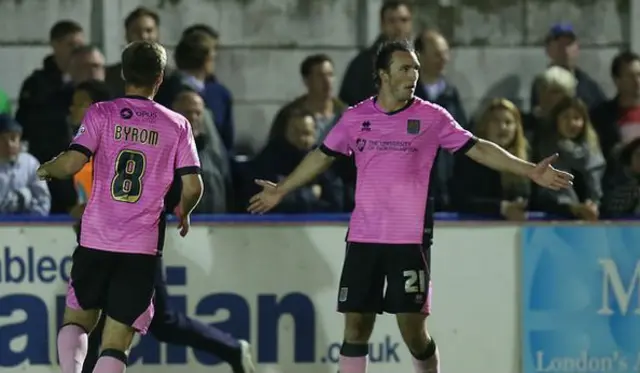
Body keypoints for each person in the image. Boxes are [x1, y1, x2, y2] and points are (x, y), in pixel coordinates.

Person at [248, 40, 574, 373]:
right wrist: (282, 189)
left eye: (416, 68)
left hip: (409, 240)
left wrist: (529, 169)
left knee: (413, 331)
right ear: (382, 75)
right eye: (405, 68)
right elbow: (321, 155)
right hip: (363, 238)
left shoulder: (432, 117)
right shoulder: (355, 117)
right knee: (356, 326)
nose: (413, 75)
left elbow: (478, 149)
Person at [36, 40, 204, 373]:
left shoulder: (101, 113)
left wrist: (46, 168)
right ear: (160, 78)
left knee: (78, 319)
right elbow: (194, 185)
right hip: (140, 248)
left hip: (95, 237)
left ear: (124, 73)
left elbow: (70, 164)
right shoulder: (177, 125)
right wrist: (185, 210)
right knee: (116, 340)